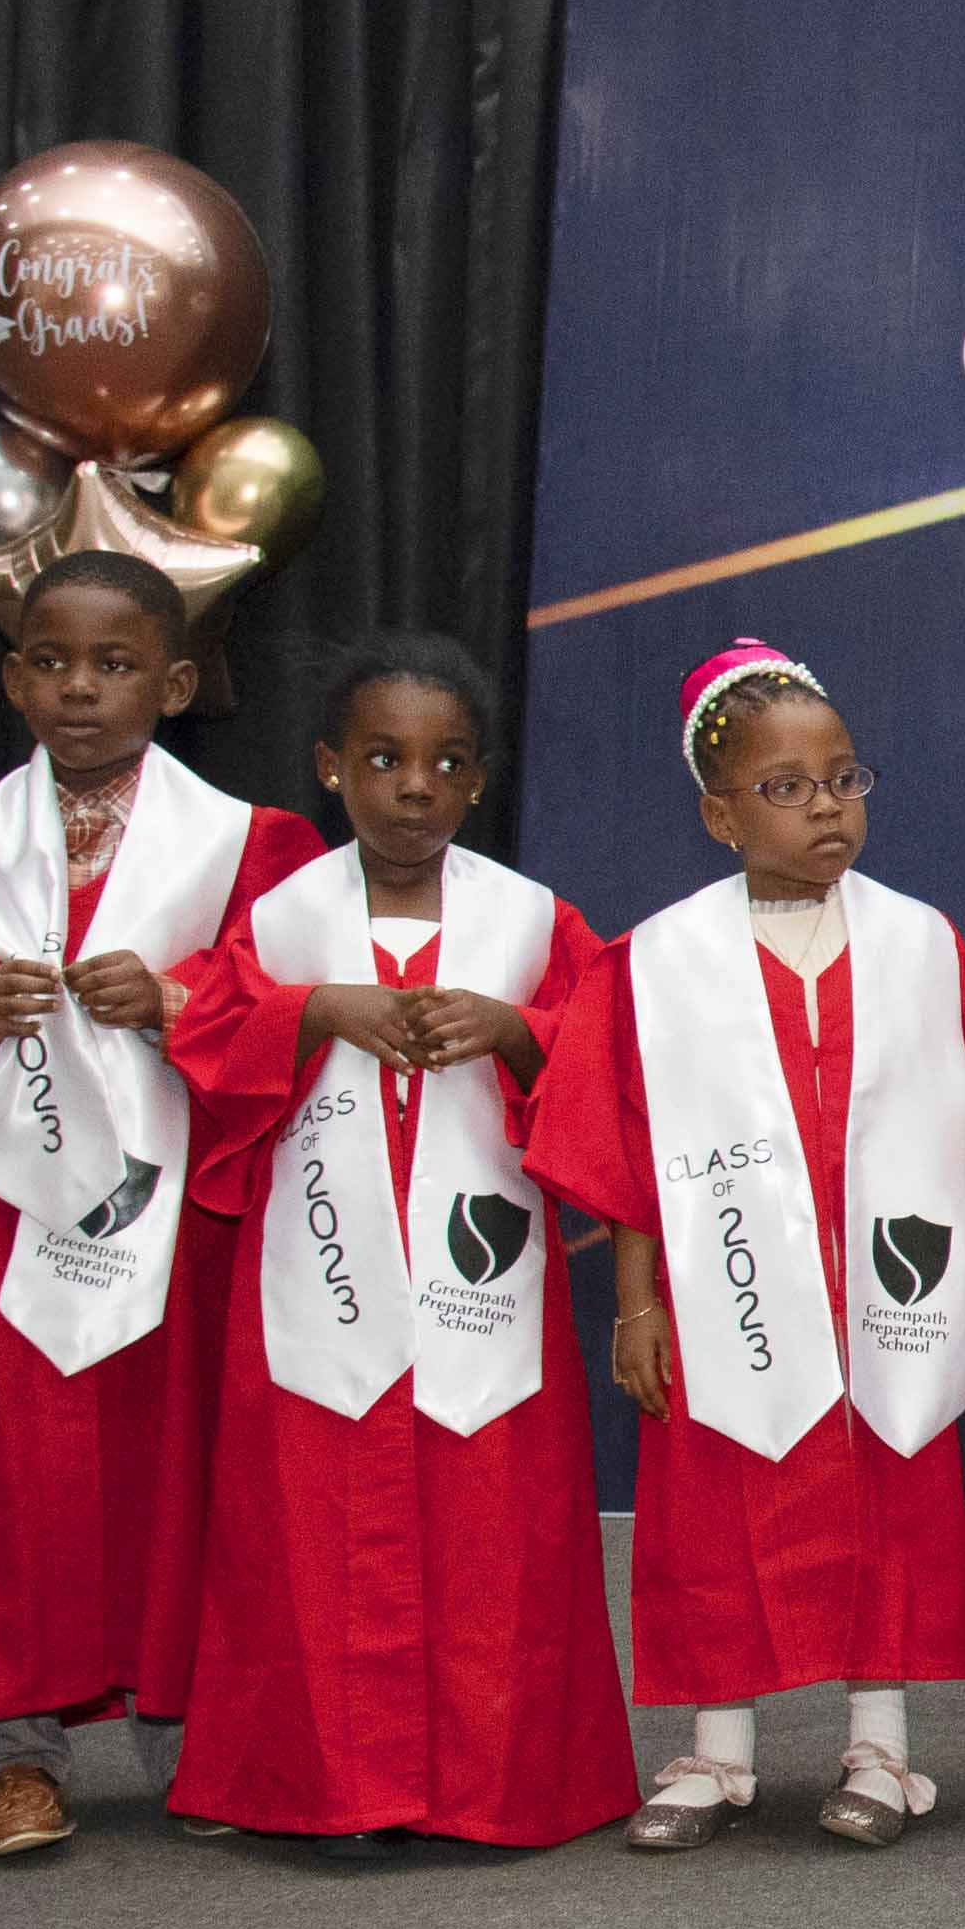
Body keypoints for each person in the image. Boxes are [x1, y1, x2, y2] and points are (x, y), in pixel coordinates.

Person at [0, 552, 319, 1864]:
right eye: (51, 662)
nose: (81, 690)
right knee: (11, 1478)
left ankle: (193, 1734)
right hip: (10, 1219)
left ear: (175, 684)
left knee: (185, 1468)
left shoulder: (251, 847)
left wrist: (176, 1004)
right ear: (12, 679)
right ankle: (16, 1753)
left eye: (115, 665)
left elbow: (297, 1013)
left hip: (184, 1221)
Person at [156, 635, 635, 1848]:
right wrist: (315, 1008)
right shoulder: (282, 923)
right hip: (322, 1273)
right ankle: (331, 1789)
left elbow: (608, 1066)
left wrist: (515, 1032)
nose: (415, 788)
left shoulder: (532, 923)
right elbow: (208, 1049)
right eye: (384, 760)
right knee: (312, 1532)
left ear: (479, 781)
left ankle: (489, 1787)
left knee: (490, 1537)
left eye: (447, 763)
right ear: (331, 767)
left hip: (480, 1285)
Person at [523, 641, 965, 1851]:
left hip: (879, 1290)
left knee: (887, 1491)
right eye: (786, 787)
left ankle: (880, 1749)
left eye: (843, 778)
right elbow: (626, 1149)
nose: (825, 806)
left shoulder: (921, 945)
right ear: (720, 816)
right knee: (713, 1507)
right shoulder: (658, 962)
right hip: (722, 1292)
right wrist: (635, 1306)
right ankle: (716, 1749)